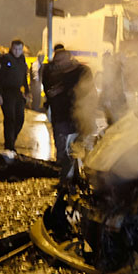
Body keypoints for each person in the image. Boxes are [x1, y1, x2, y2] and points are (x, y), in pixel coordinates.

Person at [42, 45, 96, 176]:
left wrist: (63, 89)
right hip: (60, 116)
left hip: (80, 116)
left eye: (60, 61)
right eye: (56, 62)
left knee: (81, 149)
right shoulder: (51, 72)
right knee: (62, 150)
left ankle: (82, 175)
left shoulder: (82, 70)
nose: (58, 64)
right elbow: (48, 89)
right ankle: (63, 178)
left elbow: (85, 89)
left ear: (68, 59)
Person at [0, 39, 29, 155]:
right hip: (6, 92)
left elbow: (24, 77)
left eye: (19, 49)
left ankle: (12, 140)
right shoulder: (5, 59)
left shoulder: (22, 59)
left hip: (17, 92)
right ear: (11, 48)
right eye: (15, 49)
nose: (17, 51)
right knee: (10, 118)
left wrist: (27, 91)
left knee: (20, 119)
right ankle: (9, 146)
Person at [100, 50, 127, 125]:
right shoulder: (113, 69)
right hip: (114, 100)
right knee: (114, 122)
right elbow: (106, 86)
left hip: (117, 99)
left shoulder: (118, 69)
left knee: (117, 121)